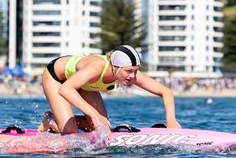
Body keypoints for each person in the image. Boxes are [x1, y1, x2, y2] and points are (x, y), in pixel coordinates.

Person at [38, 45, 181, 134]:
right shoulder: (96, 67)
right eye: (129, 71)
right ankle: (50, 120)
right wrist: (92, 113)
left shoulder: (130, 73)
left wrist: (171, 121)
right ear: (115, 68)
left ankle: (65, 121)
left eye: (136, 71)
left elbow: (165, 92)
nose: (133, 76)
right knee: (70, 131)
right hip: (57, 78)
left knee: (102, 129)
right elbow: (65, 89)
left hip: (83, 82)